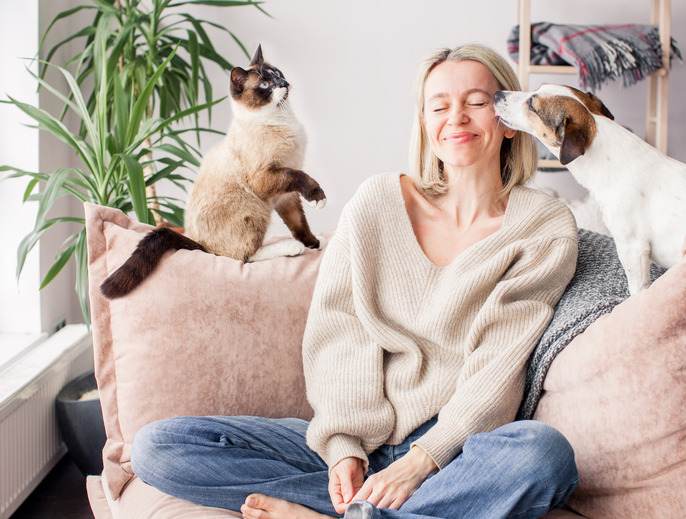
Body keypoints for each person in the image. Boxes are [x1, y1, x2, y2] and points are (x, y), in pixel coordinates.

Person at [131, 43, 580, 519]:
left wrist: (421, 463)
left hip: (455, 453)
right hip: (362, 442)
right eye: (440, 106)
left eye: (477, 102)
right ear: (426, 124)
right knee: (158, 447)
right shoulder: (377, 202)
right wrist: (344, 447)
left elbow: (500, 363)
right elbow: (342, 330)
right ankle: (368, 510)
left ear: (507, 118)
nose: (457, 118)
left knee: (544, 454)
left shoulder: (544, 226)